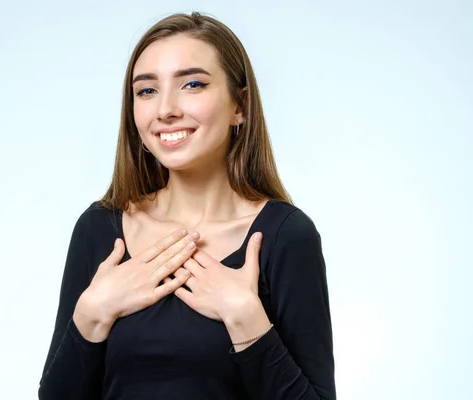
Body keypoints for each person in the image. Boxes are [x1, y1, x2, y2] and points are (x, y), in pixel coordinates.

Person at [38, 11, 335, 400]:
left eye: (192, 84)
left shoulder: (286, 236)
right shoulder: (98, 230)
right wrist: (91, 315)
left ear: (239, 106)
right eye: (146, 91)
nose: (165, 110)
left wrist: (247, 322)